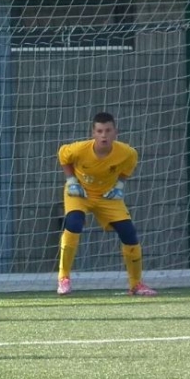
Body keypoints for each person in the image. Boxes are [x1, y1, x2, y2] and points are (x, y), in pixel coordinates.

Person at [57, 112, 156, 297]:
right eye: (100, 131)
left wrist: (119, 185)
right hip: (80, 193)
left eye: (108, 130)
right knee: (74, 223)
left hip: (106, 196)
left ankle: (136, 284)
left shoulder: (127, 152)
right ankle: (64, 279)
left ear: (115, 132)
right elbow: (63, 156)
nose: (104, 135)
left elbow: (129, 164)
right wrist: (71, 180)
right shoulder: (79, 149)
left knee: (129, 233)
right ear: (93, 133)